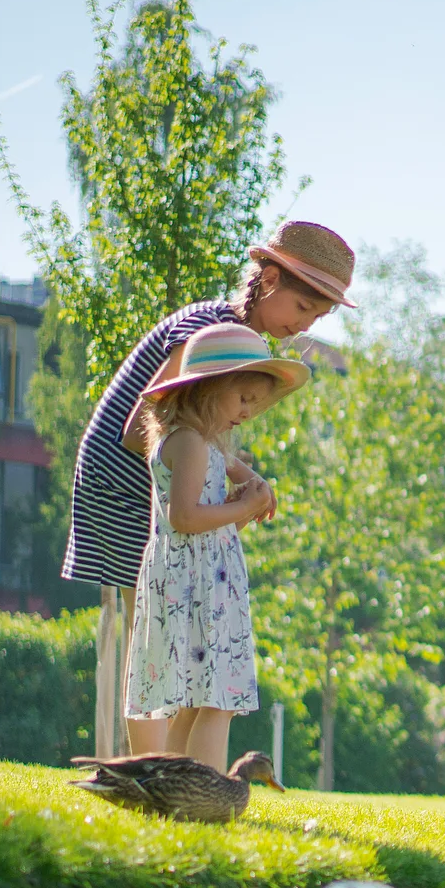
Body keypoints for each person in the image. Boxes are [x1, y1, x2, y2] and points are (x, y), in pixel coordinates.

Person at [62, 220, 354, 757]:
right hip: (123, 478)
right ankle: (150, 768)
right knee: (158, 633)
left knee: (186, 636)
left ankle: (173, 770)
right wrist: (218, 490)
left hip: (161, 477)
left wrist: (241, 477)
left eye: (314, 318)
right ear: (268, 279)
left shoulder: (233, 337)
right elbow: (148, 427)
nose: (300, 327)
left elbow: (201, 434)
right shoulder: (209, 329)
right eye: (301, 310)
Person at [122, 324, 307, 770]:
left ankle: (179, 784)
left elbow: (220, 507)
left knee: (201, 696)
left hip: (202, 581)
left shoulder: (201, 444)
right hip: (193, 585)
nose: (248, 411)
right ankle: (204, 789)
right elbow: (184, 518)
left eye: (255, 403)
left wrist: (251, 496)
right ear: (207, 390)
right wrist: (243, 505)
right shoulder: (188, 443)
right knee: (215, 698)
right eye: (242, 398)